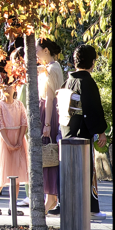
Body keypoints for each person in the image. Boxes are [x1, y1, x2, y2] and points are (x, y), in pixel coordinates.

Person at [58, 44, 108, 218]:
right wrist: (101, 131)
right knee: (85, 170)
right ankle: (89, 208)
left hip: (66, 130)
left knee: (70, 171)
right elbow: (93, 108)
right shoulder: (86, 81)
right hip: (81, 133)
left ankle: (71, 205)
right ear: (93, 62)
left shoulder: (69, 79)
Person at [0, 60, 29, 214]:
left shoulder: (19, 104)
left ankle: (13, 205)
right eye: (5, 85)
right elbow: (0, 125)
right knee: (2, 172)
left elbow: (24, 121)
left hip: (18, 137)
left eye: (11, 85)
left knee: (16, 173)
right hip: (3, 140)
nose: (9, 88)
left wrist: (18, 139)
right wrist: (9, 142)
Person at [37, 37, 64, 214]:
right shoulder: (54, 67)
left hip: (49, 113)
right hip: (50, 111)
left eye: (38, 51)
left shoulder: (51, 69)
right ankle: (51, 198)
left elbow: (49, 97)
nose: (36, 55)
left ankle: (51, 198)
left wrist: (47, 123)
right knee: (50, 154)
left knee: (49, 153)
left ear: (46, 50)